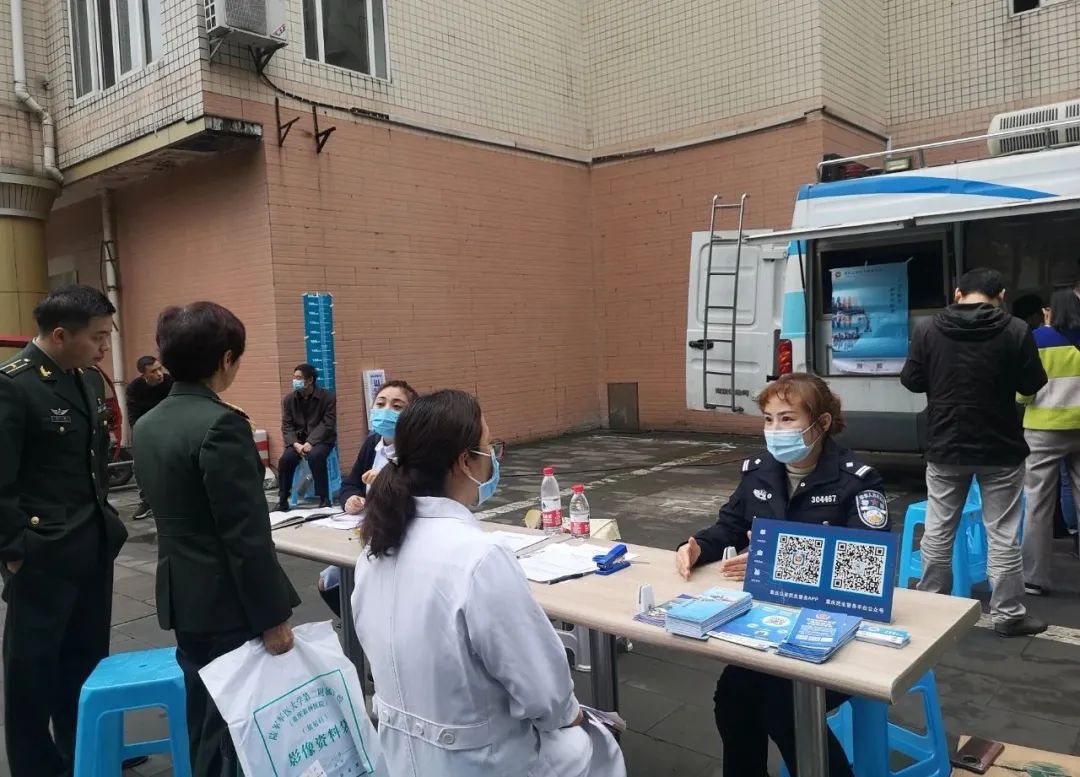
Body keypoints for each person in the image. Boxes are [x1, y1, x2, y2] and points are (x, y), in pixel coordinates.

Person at [352, 389, 625, 777]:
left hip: (402, 757)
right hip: (486, 761)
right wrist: (577, 717)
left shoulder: (375, 548)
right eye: (488, 447)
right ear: (465, 462)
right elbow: (546, 693)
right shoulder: (478, 558)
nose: (493, 458)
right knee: (597, 745)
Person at [675, 373, 886, 777]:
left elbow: (866, 566)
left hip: (833, 628)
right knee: (732, 697)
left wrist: (776, 561)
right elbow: (729, 527)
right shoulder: (759, 472)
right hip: (767, 624)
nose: (775, 431)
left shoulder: (856, 480)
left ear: (822, 424)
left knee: (781, 703)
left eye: (787, 419)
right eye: (768, 419)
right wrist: (698, 547)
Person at [134, 302, 300, 777]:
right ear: (226, 360)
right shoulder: (221, 424)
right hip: (229, 598)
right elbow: (245, 536)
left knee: (201, 711)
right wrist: (273, 617)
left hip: (182, 591)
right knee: (237, 723)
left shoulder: (150, 424)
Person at [0, 285, 131, 777]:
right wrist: (15, 551)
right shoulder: (14, 384)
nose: (104, 348)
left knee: (86, 661)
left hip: (92, 542)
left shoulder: (87, 381)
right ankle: (36, 767)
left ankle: (84, 755)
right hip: (41, 552)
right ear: (60, 335)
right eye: (98, 337)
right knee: (32, 672)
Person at [900, 267, 1048, 637]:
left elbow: (912, 380)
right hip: (1001, 445)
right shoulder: (1016, 329)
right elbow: (1033, 382)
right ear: (1000, 295)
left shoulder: (928, 329)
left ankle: (932, 604)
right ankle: (1009, 614)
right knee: (1001, 533)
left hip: (946, 442)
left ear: (958, 293)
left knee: (938, 529)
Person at [317, 379, 417, 616]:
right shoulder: (372, 443)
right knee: (328, 582)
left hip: (399, 536)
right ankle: (359, 630)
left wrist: (386, 481)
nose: (386, 411)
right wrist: (351, 498)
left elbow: (416, 496)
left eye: (397, 406)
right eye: (380, 404)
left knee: (356, 585)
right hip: (366, 530)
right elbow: (351, 483)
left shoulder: (417, 451)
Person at [1018, 287, 1080, 595]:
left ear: (1049, 311)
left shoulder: (1038, 339)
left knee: (1038, 503)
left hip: (1043, 430)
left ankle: (1035, 578)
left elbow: (1024, 390)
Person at [277, 363, 337, 510]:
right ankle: (283, 499)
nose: (295, 381)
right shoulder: (289, 400)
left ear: (310, 380)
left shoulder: (327, 397)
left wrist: (311, 442)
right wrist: (296, 444)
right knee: (286, 459)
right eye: (294, 377)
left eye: (299, 378)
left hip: (322, 439)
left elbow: (327, 424)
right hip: (298, 441)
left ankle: (323, 498)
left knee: (316, 456)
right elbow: (287, 425)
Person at [125, 354, 173, 520]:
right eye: (153, 371)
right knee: (138, 465)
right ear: (144, 375)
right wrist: (140, 436)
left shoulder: (171, 382)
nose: (159, 374)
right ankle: (146, 502)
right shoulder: (134, 389)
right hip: (147, 430)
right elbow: (133, 416)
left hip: (171, 428)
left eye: (160, 369)